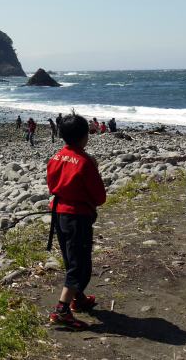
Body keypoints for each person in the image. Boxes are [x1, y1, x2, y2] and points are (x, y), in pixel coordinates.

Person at [47, 113, 106, 330]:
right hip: (77, 216)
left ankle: (78, 297)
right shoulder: (84, 162)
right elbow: (99, 196)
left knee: (70, 256)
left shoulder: (56, 158)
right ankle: (62, 308)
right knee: (78, 262)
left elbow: (52, 185)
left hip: (59, 214)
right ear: (84, 136)